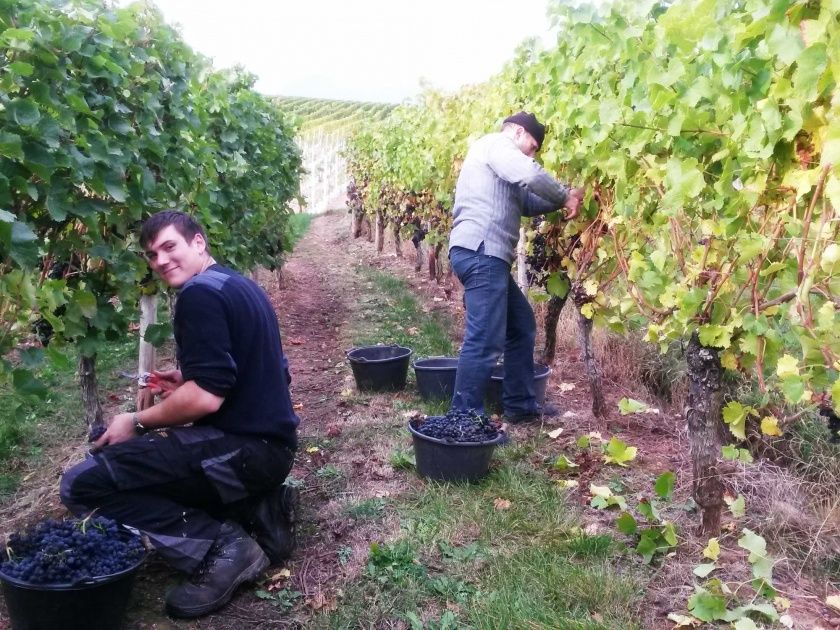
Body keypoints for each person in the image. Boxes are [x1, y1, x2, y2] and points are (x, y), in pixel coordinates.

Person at [60, 211, 300, 618]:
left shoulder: (198, 296)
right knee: (145, 466)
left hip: (245, 453)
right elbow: (267, 369)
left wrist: (136, 422)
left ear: (198, 242)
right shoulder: (236, 285)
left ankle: (224, 548)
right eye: (152, 254)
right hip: (270, 448)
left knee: (84, 482)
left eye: (170, 246)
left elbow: (206, 399)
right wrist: (189, 376)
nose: (161, 260)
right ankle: (257, 511)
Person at [448, 111, 584, 422]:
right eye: (533, 146)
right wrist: (564, 196)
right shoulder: (497, 145)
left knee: (521, 325)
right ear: (518, 133)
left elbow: (528, 203)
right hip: (482, 252)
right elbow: (532, 176)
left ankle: (520, 407)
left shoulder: (498, 164)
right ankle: (464, 417)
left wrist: (567, 197)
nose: (533, 153)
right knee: (484, 338)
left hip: (484, 255)